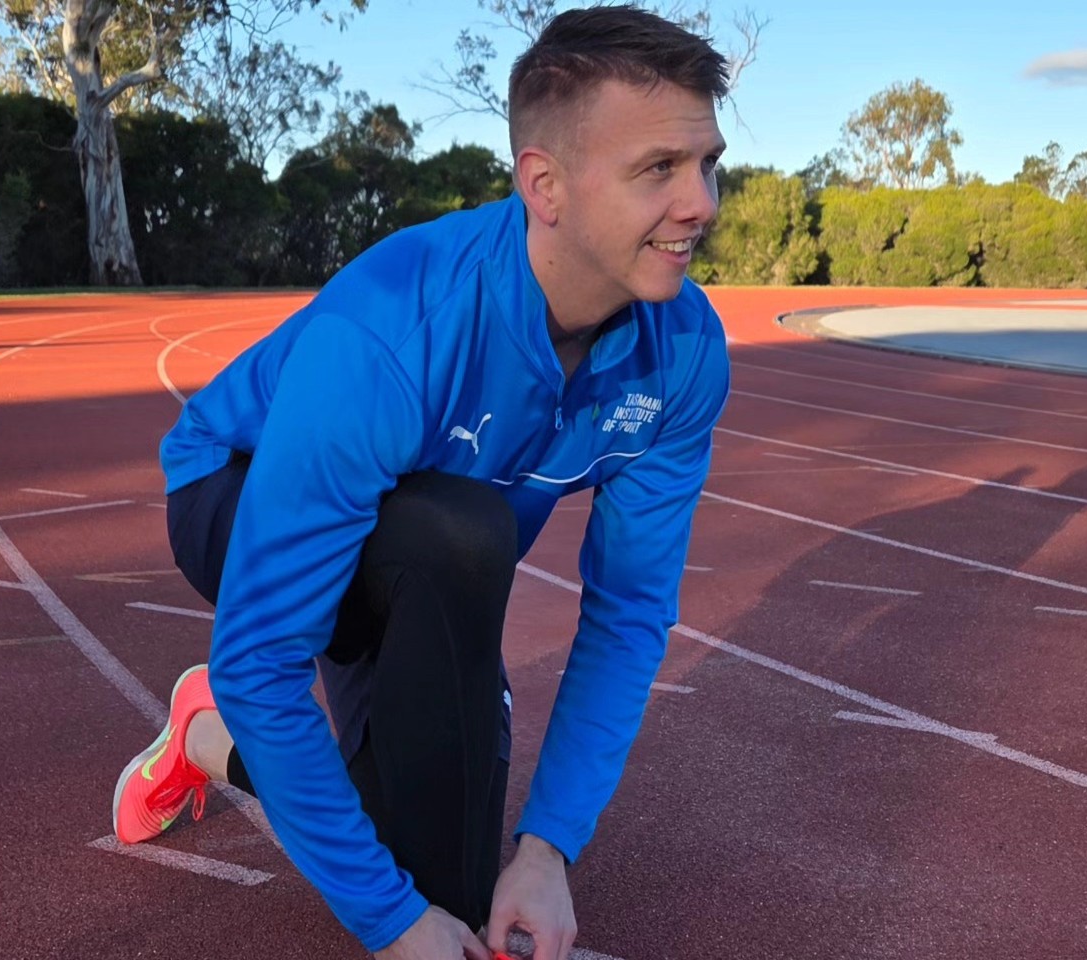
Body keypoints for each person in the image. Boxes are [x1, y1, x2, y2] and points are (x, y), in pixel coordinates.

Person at [112, 6, 731, 959]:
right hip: (236, 492)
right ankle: (221, 716)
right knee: (462, 537)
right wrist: (388, 922)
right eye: (659, 169)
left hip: (431, 544)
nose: (701, 204)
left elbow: (629, 612)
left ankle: (209, 740)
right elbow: (262, 661)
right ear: (545, 185)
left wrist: (548, 847)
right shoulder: (398, 328)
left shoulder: (683, 349)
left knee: (457, 875)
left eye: (707, 164)